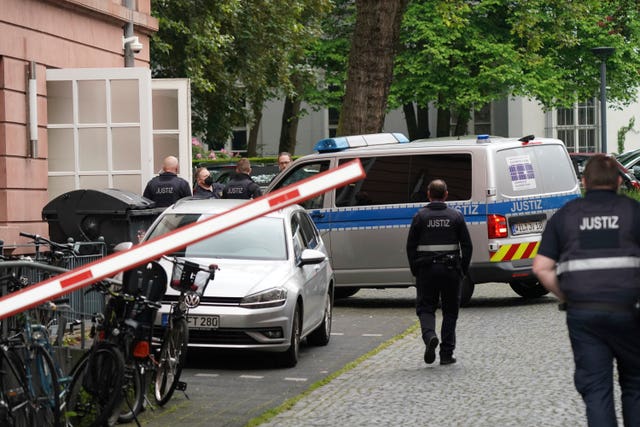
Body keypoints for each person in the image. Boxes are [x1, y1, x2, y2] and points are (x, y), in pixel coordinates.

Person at [533, 154, 640, 427]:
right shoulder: (633, 212)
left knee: (596, 388)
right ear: (618, 181)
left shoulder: (566, 216)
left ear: (584, 181)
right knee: (636, 384)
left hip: (584, 315)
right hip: (629, 311)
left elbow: (541, 268)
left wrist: (568, 296)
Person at [406, 179, 472, 365]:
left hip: (426, 270)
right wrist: (463, 270)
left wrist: (415, 268)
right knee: (450, 311)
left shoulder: (420, 217)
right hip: (451, 270)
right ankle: (446, 354)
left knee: (426, 308)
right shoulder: (456, 216)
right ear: (446, 195)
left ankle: (429, 337)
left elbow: (410, 246)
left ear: (428, 194)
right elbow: (467, 246)